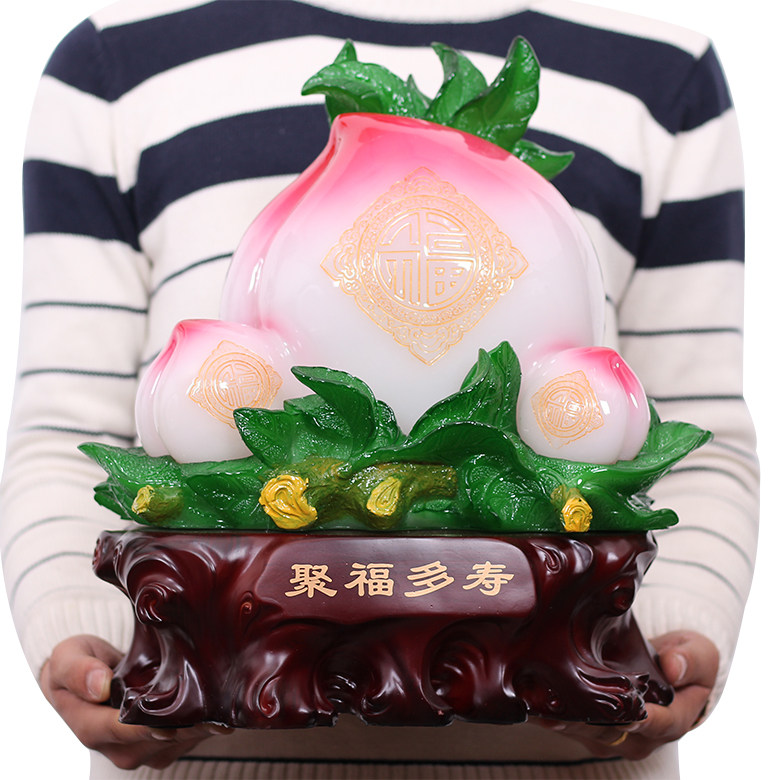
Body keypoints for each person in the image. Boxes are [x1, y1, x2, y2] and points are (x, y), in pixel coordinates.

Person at [0, 1, 757, 778]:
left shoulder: (661, 71)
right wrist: (82, 642)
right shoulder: (118, 62)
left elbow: (696, 431)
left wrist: (676, 639)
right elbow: (64, 424)